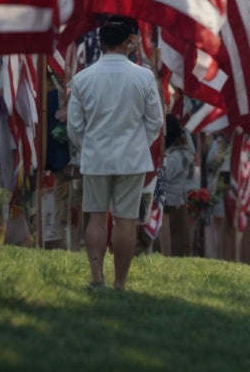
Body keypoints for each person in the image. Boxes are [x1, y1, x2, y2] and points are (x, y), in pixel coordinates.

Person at [68, 16, 164, 290]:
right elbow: (155, 121)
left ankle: (97, 279)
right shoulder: (144, 76)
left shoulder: (82, 78)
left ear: (100, 43)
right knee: (126, 220)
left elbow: (75, 125)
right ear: (127, 43)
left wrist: (89, 145)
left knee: (96, 217)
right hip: (132, 158)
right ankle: (119, 283)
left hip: (96, 155)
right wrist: (137, 143)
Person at [161, 114, 194, 257]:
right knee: (181, 238)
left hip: (171, 203)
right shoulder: (184, 153)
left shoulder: (174, 157)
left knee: (176, 239)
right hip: (178, 201)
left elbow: (165, 175)